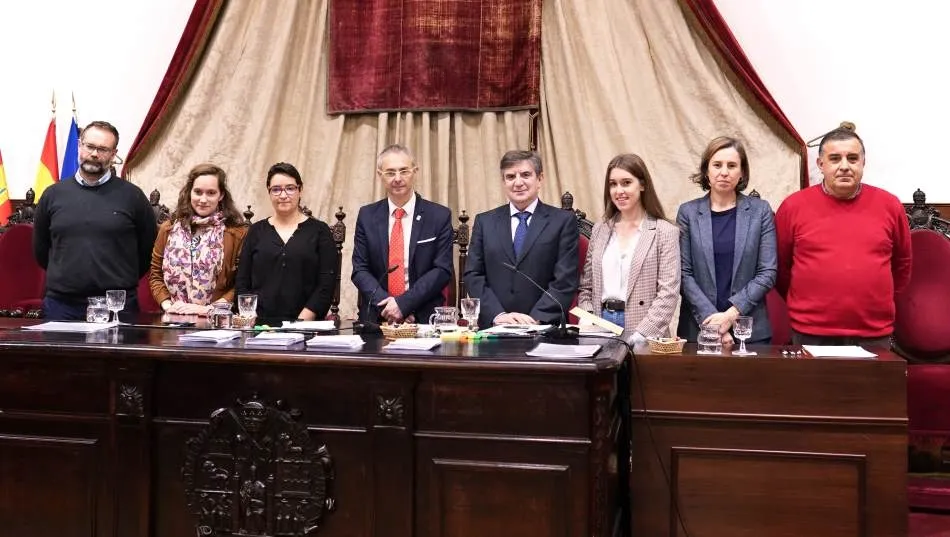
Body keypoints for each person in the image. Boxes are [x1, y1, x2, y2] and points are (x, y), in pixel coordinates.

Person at [775, 128, 912, 345]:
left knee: (873, 381)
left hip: (873, 332)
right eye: (835, 159)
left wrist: (875, 300)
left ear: (863, 163)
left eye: (853, 158)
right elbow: (781, 268)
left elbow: (902, 264)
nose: (845, 166)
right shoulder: (793, 206)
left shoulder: (890, 205)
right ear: (821, 164)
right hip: (811, 331)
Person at [32, 120, 157, 321]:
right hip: (62, 306)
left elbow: (147, 251)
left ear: (114, 153)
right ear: (80, 145)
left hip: (117, 306)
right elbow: (41, 250)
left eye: (103, 149)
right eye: (90, 146)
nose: (95, 154)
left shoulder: (133, 197)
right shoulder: (52, 195)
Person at [676, 137, 777, 345]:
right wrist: (714, 324)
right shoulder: (688, 213)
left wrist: (731, 315)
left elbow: (767, 272)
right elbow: (683, 274)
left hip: (749, 331)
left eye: (732, 166)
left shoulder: (761, 211)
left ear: (742, 173)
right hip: (698, 329)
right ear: (706, 171)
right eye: (717, 165)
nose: (724, 172)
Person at [463, 150, 578, 328]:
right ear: (503, 182)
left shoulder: (562, 221)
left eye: (525, 175)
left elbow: (565, 280)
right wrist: (497, 314)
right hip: (495, 328)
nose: (518, 183)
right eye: (510, 177)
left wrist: (535, 319)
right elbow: (473, 275)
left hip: (543, 328)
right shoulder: (485, 222)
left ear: (540, 179)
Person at [577, 153, 680, 343]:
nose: (619, 190)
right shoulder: (601, 229)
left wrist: (644, 333)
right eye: (613, 184)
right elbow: (586, 286)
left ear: (642, 185)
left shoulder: (665, 231)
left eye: (626, 182)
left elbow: (668, 293)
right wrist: (588, 317)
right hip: (600, 326)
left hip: (643, 328)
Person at [351, 144, 454, 324]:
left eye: (404, 171)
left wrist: (404, 305)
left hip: (424, 317)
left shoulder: (439, 216)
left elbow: (442, 270)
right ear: (379, 175)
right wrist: (389, 308)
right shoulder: (367, 216)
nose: (397, 178)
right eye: (390, 172)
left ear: (415, 171)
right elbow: (360, 269)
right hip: (378, 316)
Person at [235, 162, 336, 322]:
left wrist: (301, 322)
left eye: (290, 188)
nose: (283, 195)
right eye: (276, 189)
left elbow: (326, 283)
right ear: (268, 192)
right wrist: (251, 317)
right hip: (259, 325)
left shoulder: (319, 231)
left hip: (306, 325)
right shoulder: (256, 231)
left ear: (300, 190)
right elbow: (242, 281)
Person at [149, 164, 247, 315]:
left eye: (211, 193)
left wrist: (209, 309)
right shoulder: (168, 229)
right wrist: (168, 305)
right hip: (173, 318)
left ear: (221, 195)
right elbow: (155, 274)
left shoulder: (236, 233)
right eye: (198, 192)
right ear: (189, 192)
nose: (203, 199)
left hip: (215, 321)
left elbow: (242, 283)